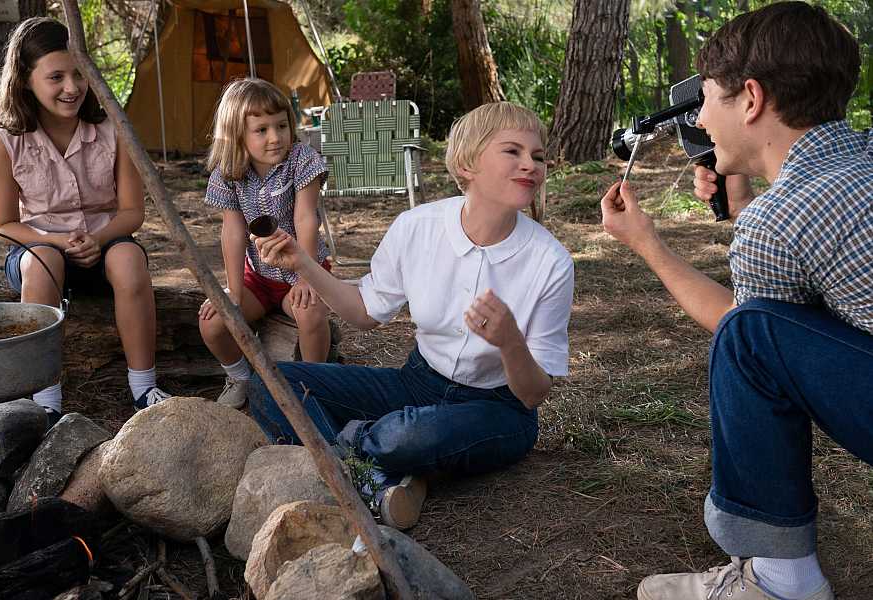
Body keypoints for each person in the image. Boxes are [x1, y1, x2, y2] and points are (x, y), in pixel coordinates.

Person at [600, 3, 871, 600]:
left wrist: (647, 244)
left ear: (751, 99)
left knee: (748, 337)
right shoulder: (857, 162)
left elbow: (748, 332)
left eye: (706, 99)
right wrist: (744, 198)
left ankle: (780, 582)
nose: (699, 117)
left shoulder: (783, 217)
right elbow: (802, 313)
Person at [247, 101, 575, 530]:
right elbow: (365, 313)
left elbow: (533, 395)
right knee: (272, 381)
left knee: (406, 434)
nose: (530, 164)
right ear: (467, 164)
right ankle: (375, 477)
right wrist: (301, 263)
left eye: (538, 156)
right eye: (512, 151)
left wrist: (510, 342)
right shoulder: (416, 227)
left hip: (498, 409)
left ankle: (349, 461)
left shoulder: (551, 261)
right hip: (418, 384)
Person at [0, 17, 170, 421]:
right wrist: (57, 242)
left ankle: (144, 387)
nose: (72, 87)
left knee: (130, 259)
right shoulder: (4, 143)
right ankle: (45, 399)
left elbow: (132, 212)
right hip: (38, 252)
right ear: (25, 80)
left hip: (106, 244)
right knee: (44, 262)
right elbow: (4, 224)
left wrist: (98, 239)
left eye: (79, 74)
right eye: (56, 77)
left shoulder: (114, 130)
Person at [199, 78, 331, 409]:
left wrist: (306, 276)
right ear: (237, 135)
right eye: (261, 130)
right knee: (213, 322)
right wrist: (233, 291)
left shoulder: (302, 160)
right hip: (257, 277)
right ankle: (240, 377)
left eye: (281, 126)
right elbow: (233, 232)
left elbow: (306, 218)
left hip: (303, 268)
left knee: (311, 314)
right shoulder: (229, 172)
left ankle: (314, 386)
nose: (275, 137)